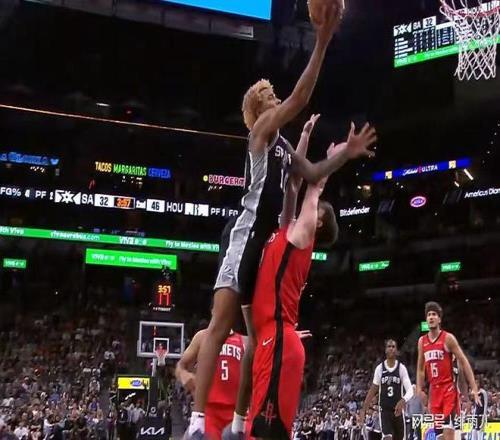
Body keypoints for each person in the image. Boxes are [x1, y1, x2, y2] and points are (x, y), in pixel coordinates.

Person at [187, 1, 378, 435]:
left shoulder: (283, 148)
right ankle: (197, 423)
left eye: (275, 98)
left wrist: (346, 154)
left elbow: (312, 172)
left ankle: (239, 424)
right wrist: (322, 41)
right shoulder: (259, 133)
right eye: (271, 100)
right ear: (261, 111)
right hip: (244, 235)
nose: (278, 102)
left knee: (256, 338)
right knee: (220, 324)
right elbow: (300, 99)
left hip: (266, 242)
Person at [244, 145, 340, 438]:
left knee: (264, 430)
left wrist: (329, 163)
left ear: (317, 222)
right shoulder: (287, 233)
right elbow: (293, 188)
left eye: (315, 209)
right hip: (274, 339)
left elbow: (313, 185)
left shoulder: (302, 239)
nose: (307, 209)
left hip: (278, 340)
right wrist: (305, 137)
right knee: (258, 428)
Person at [416, 302, 480, 440]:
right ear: (426, 319)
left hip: (448, 390)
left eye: (434, 314)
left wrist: (474, 387)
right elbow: (420, 368)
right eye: (429, 315)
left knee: (448, 434)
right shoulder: (422, 341)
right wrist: (419, 389)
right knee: (439, 436)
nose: (431, 317)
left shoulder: (448, 338)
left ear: (439, 319)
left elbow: (464, 361)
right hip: (434, 391)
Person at [177, 329, 246, 440]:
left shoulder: (243, 340)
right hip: (209, 411)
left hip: (236, 411)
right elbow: (180, 366)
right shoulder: (202, 336)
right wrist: (184, 374)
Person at [360, 339, 413, 440]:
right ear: (385, 350)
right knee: (387, 437)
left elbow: (410, 390)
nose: (391, 348)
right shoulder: (380, 368)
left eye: (393, 346)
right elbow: (372, 390)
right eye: (389, 346)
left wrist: (403, 400)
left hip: (398, 411)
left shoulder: (401, 368)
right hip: (385, 411)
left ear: (396, 350)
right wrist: (363, 409)